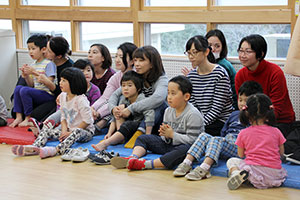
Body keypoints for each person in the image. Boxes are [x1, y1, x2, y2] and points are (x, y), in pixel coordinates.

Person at [173, 81, 263, 180]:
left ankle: (204, 168)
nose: (242, 104)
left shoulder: (256, 119)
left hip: (241, 148)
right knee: (204, 135)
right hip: (227, 143)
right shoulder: (234, 114)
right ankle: (186, 163)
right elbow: (224, 131)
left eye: (246, 101)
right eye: (240, 100)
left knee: (217, 140)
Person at [110, 75, 204, 170]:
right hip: (170, 144)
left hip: (185, 148)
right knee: (143, 138)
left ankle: (145, 164)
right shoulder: (168, 111)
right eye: (168, 93)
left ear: (186, 96)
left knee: (185, 149)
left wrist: (172, 135)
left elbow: (194, 141)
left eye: (173, 93)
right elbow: (164, 135)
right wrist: (165, 135)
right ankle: (132, 158)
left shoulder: (193, 114)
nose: (169, 97)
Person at [11, 67, 95, 159]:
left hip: (84, 132)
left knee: (77, 131)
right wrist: (64, 131)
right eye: (61, 80)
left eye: (64, 81)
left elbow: (87, 121)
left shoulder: (81, 100)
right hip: (68, 131)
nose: (60, 83)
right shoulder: (63, 96)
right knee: (46, 131)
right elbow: (63, 117)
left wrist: (70, 132)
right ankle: (35, 147)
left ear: (73, 83)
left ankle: (57, 150)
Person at [235, 34, 295, 137]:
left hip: (279, 122)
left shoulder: (275, 72)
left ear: (260, 54)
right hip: (251, 121)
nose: (242, 55)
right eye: (241, 51)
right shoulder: (240, 75)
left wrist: (258, 128)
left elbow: (277, 108)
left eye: (248, 51)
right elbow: (242, 102)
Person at [108, 46, 168, 147]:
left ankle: (140, 134)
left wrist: (131, 108)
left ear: (152, 63)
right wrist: (113, 108)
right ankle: (119, 134)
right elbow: (116, 94)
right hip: (137, 118)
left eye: (141, 60)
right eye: (135, 60)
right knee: (122, 100)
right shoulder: (137, 76)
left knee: (159, 105)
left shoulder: (161, 79)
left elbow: (158, 98)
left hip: (154, 121)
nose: (137, 64)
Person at [226, 93, 287, 190]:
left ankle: (236, 174)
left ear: (247, 113)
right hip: (275, 174)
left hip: (254, 172)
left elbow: (240, 155)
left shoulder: (243, 133)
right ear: (269, 112)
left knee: (232, 161)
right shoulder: (276, 131)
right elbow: (281, 153)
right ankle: (245, 175)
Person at [29, 59, 100, 136]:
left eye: (88, 70)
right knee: (61, 116)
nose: (86, 73)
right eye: (82, 71)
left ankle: (48, 131)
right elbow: (62, 111)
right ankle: (44, 127)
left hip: (82, 118)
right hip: (69, 117)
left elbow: (92, 110)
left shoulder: (93, 91)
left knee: (65, 126)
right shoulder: (64, 93)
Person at [91, 71, 155, 156]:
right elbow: (115, 117)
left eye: (129, 85)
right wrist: (109, 133)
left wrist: (147, 136)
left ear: (138, 88)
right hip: (124, 127)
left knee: (128, 123)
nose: (125, 88)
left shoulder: (141, 99)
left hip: (137, 126)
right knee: (119, 111)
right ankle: (118, 137)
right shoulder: (123, 99)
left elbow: (150, 114)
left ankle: (106, 143)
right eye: (123, 85)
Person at [185, 35, 233, 136]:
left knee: (193, 137)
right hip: (201, 120)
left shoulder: (220, 74)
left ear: (206, 52)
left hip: (220, 121)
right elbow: (193, 105)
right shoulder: (191, 76)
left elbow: (217, 108)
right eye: (188, 53)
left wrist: (200, 125)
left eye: (194, 52)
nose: (191, 57)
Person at [9, 34, 56, 127]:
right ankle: (19, 117)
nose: (30, 52)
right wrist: (26, 76)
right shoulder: (33, 64)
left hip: (47, 94)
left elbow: (49, 82)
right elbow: (31, 85)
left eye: (33, 48)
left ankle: (28, 118)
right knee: (19, 88)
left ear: (43, 49)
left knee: (24, 90)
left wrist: (33, 72)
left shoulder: (49, 64)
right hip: (36, 92)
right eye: (29, 49)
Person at [91, 42, 137, 131]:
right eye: (116, 56)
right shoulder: (116, 77)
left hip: (129, 109)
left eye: (121, 57)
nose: (117, 60)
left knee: (119, 100)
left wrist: (99, 113)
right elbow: (105, 98)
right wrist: (93, 108)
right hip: (115, 109)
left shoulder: (136, 75)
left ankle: (100, 127)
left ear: (132, 61)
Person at [30, 36, 74, 122]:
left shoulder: (68, 68)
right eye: (46, 48)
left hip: (57, 99)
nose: (45, 51)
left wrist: (48, 82)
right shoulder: (47, 61)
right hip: (43, 93)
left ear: (59, 56)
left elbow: (65, 93)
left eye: (49, 51)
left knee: (36, 115)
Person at [205, 29, 237, 110]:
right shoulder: (205, 64)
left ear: (223, 48)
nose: (213, 49)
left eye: (217, 46)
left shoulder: (223, 66)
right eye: (209, 45)